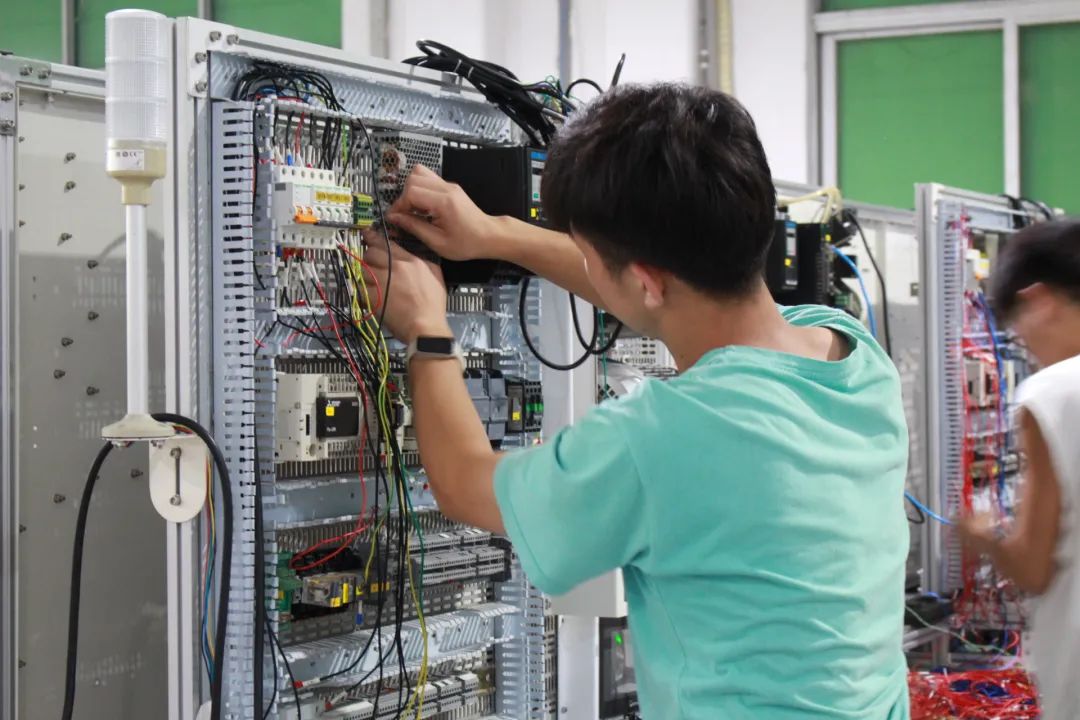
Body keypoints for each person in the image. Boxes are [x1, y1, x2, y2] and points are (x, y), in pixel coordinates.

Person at [361, 83, 910, 719]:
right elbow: (664, 292)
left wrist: (427, 331)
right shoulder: (852, 354)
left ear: (645, 279)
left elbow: (464, 485)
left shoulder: (668, 434)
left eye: (590, 256)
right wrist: (497, 235)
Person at [958, 220, 1080, 720]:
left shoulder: (1054, 393)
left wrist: (980, 535)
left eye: (1017, 330)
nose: (1024, 346)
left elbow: (1032, 566)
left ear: (1039, 300)